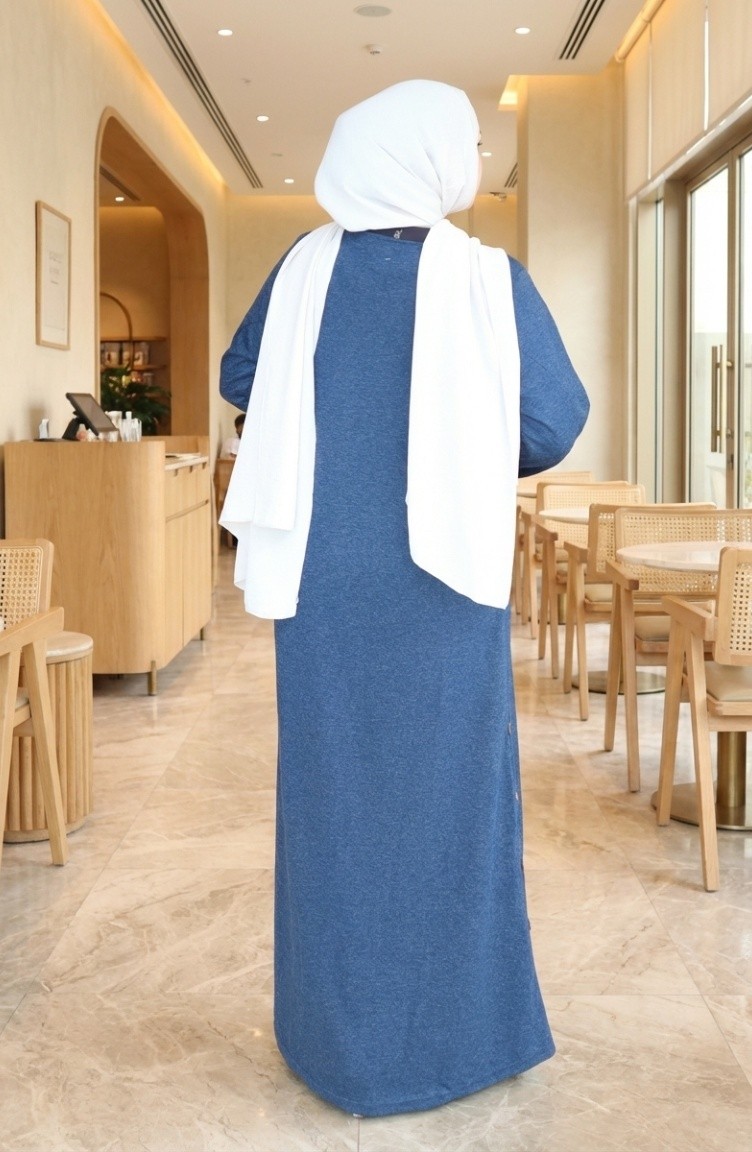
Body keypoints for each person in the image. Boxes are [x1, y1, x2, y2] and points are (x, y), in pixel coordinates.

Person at [219, 79, 589, 1118]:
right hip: (445, 581)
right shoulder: (488, 278)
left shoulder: (302, 268)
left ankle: (332, 1043)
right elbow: (555, 421)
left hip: (322, 580)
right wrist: (461, 451)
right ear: (425, 157)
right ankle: (459, 1037)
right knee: (452, 806)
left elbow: (241, 375)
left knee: (331, 802)